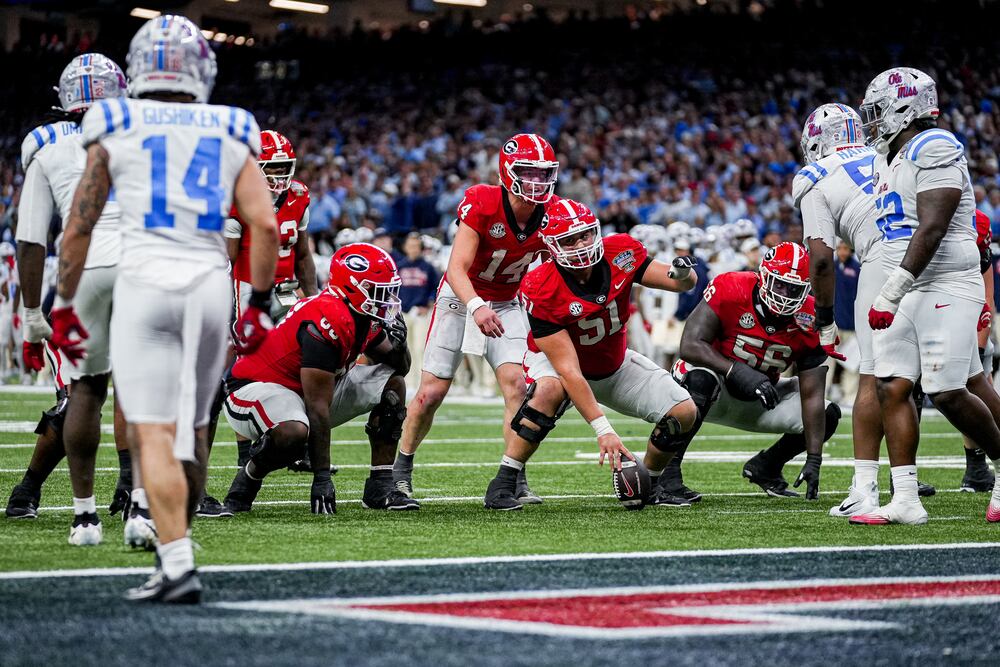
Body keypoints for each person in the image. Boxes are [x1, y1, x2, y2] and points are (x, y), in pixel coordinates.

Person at [50, 15, 279, 602]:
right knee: (194, 429)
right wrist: (256, 301)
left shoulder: (115, 118)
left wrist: (65, 302)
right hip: (207, 285)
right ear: (201, 66)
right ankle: (180, 545)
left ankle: (176, 565)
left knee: (151, 431)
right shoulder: (231, 125)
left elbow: (79, 227)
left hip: (145, 282)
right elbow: (264, 223)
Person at [9, 53, 147, 547]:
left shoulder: (45, 145)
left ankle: (83, 518)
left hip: (81, 270)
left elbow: (31, 240)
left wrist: (29, 313)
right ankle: (140, 505)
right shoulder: (145, 134)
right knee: (141, 389)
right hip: (144, 267)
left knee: (84, 392)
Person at [854, 67, 1000, 524]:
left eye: (879, 112)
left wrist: (892, 290)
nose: (874, 123)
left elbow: (933, 226)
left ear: (905, 108)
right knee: (890, 385)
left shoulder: (934, 146)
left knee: (945, 389)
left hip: (944, 283)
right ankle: (905, 499)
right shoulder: (889, 159)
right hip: (907, 285)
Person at [491, 199, 699, 508]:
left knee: (684, 412)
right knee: (549, 390)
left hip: (611, 363)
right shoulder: (540, 285)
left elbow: (679, 283)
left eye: (585, 235)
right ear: (550, 245)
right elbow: (570, 371)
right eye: (569, 240)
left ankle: (652, 483)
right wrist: (604, 430)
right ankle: (504, 481)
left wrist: (683, 275)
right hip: (559, 365)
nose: (580, 245)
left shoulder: (621, 252)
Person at [394, 133, 560, 505]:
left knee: (518, 386)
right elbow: (457, 268)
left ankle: (513, 476)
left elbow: (552, 268)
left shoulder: (551, 212)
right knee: (430, 394)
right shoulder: (483, 202)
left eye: (543, 173)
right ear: (507, 171)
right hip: (460, 298)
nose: (537, 181)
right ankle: (401, 469)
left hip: (504, 301)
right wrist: (475, 306)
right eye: (528, 172)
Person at [222, 243, 416, 513]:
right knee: (294, 432)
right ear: (351, 287)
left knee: (392, 385)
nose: (386, 298)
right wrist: (322, 478)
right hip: (251, 389)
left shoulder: (361, 315)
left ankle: (381, 486)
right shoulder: (327, 316)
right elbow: (317, 407)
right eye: (376, 290)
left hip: (300, 394)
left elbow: (400, 367)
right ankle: (248, 477)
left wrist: (400, 343)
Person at [664, 243, 842, 503]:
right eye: (779, 284)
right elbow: (690, 344)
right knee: (700, 376)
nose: (785, 294)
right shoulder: (732, 286)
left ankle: (767, 467)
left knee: (828, 413)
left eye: (794, 289)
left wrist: (814, 457)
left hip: (761, 399)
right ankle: (667, 474)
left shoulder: (811, 317)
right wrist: (736, 370)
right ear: (763, 276)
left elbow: (813, 393)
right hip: (709, 391)